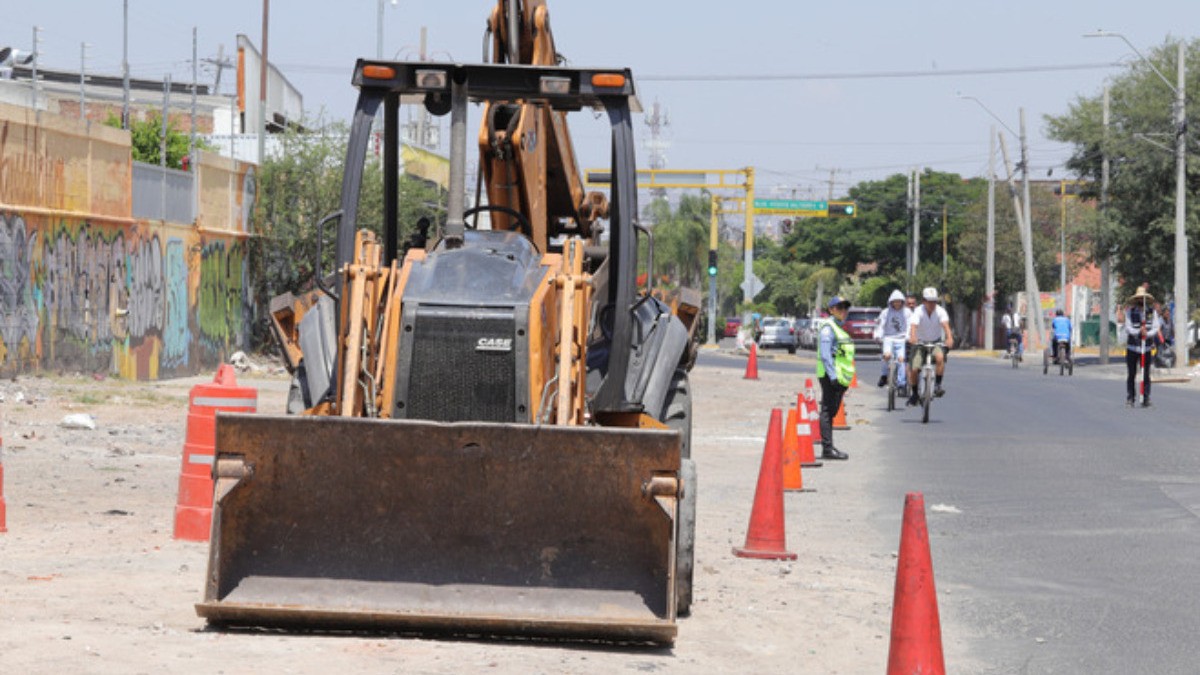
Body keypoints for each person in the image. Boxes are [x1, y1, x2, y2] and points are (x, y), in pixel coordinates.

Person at [815, 296, 854, 460]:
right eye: (839, 308)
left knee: (831, 411)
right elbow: (825, 355)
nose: (843, 311)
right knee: (827, 411)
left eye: (845, 308)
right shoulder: (828, 328)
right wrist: (833, 377)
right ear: (831, 310)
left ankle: (829, 447)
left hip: (837, 376)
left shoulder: (838, 327)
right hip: (830, 376)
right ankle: (827, 448)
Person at [907, 287, 955, 406]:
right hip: (920, 343)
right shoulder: (918, 311)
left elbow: (945, 326)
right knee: (914, 368)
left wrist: (949, 337)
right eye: (929, 301)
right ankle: (914, 393)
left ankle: (938, 385)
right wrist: (913, 337)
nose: (932, 304)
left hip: (935, 342)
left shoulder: (940, 311)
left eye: (934, 301)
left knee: (939, 358)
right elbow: (913, 326)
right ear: (923, 301)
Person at [1124, 287, 1161, 407]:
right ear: (1136, 299)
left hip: (1146, 349)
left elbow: (1155, 327)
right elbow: (1128, 328)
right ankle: (1130, 398)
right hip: (1132, 348)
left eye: (1143, 298)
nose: (1141, 300)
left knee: (1146, 374)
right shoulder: (1130, 311)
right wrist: (1138, 332)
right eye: (1139, 298)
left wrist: (1147, 334)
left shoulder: (1151, 312)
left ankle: (1146, 398)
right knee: (1132, 374)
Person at [874, 289, 912, 390]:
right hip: (888, 337)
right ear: (891, 302)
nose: (897, 303)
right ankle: (884, 376)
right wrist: (878, 335)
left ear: (902, 302)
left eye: (899, 301)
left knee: (901, 359)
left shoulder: (907, 312)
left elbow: (909, 325)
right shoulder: (885, 312)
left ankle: (901, 382)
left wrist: (908, 336)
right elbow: (881, 325)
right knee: (886, 356)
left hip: (902, 338)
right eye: (895, 301)